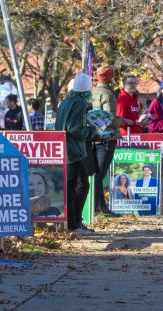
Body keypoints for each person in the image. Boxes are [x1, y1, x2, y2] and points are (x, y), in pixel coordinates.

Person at [55, 72, 99, 235]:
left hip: (66, 149)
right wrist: (93, 130)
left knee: (80, 185)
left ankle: (74, 222)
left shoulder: (66, 101)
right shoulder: (80, 103)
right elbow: (75, 129)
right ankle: (73, 225)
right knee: (76, 187)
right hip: (72, 151)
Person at [91, 65, 121, 217]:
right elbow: (108, 119)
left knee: (96, 173)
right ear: (111, 79)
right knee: (99, 174)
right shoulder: (108, 94)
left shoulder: (92, 92)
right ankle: (98, 208)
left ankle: (100, 207)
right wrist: (124, 120)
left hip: (93, 138)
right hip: (107, 138)